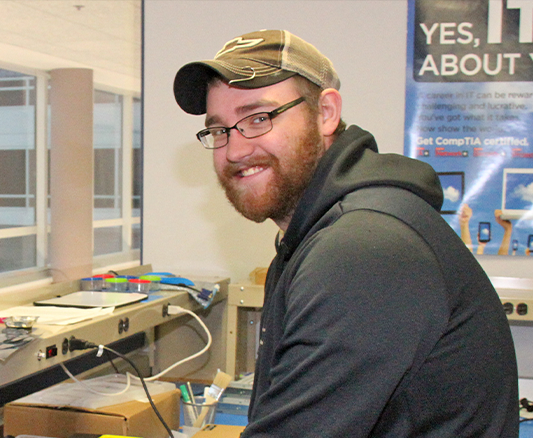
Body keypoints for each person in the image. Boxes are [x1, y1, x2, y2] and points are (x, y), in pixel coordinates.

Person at [173, 29, 518, 437]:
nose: (234, 150)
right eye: (219, 130)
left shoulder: (363, 250)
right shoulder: (323, 233)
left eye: (258, 118)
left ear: (325, 113)